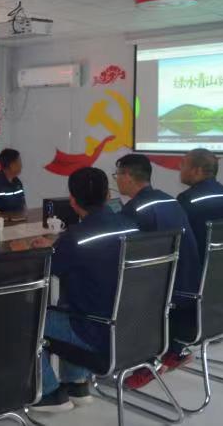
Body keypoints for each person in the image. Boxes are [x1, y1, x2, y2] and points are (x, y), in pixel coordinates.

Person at [30, 167, 138, 414]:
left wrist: (50, 248)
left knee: (27, 319)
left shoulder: (76, 237)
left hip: (95, 331)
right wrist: (60, 244)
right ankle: (77, 384)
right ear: (107, 195)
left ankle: (49, 393)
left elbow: (50, 268)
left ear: (73, 200)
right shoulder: (130, 225)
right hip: (132, 326)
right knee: (75, 301)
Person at [113, 153, 202, 389]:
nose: (116, 180)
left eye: (117, 175)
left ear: (128, 176)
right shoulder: (169, 201)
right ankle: (172, 349)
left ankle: (144, 361)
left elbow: (116, 248)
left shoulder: (135, 209)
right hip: (187, 283)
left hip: (162, 292)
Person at [177, 148, 223, 258]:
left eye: (184, 164)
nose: (180, 168)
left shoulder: (187, 199)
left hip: (197, 263)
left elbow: (177, 237)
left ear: (197, 171)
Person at [0, 148, 26, 215]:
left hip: (19, 218)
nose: (21, 165)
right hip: (2, 220)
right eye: (19, 162)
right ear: (11, 164)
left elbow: (23, 205)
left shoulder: (17, 182)